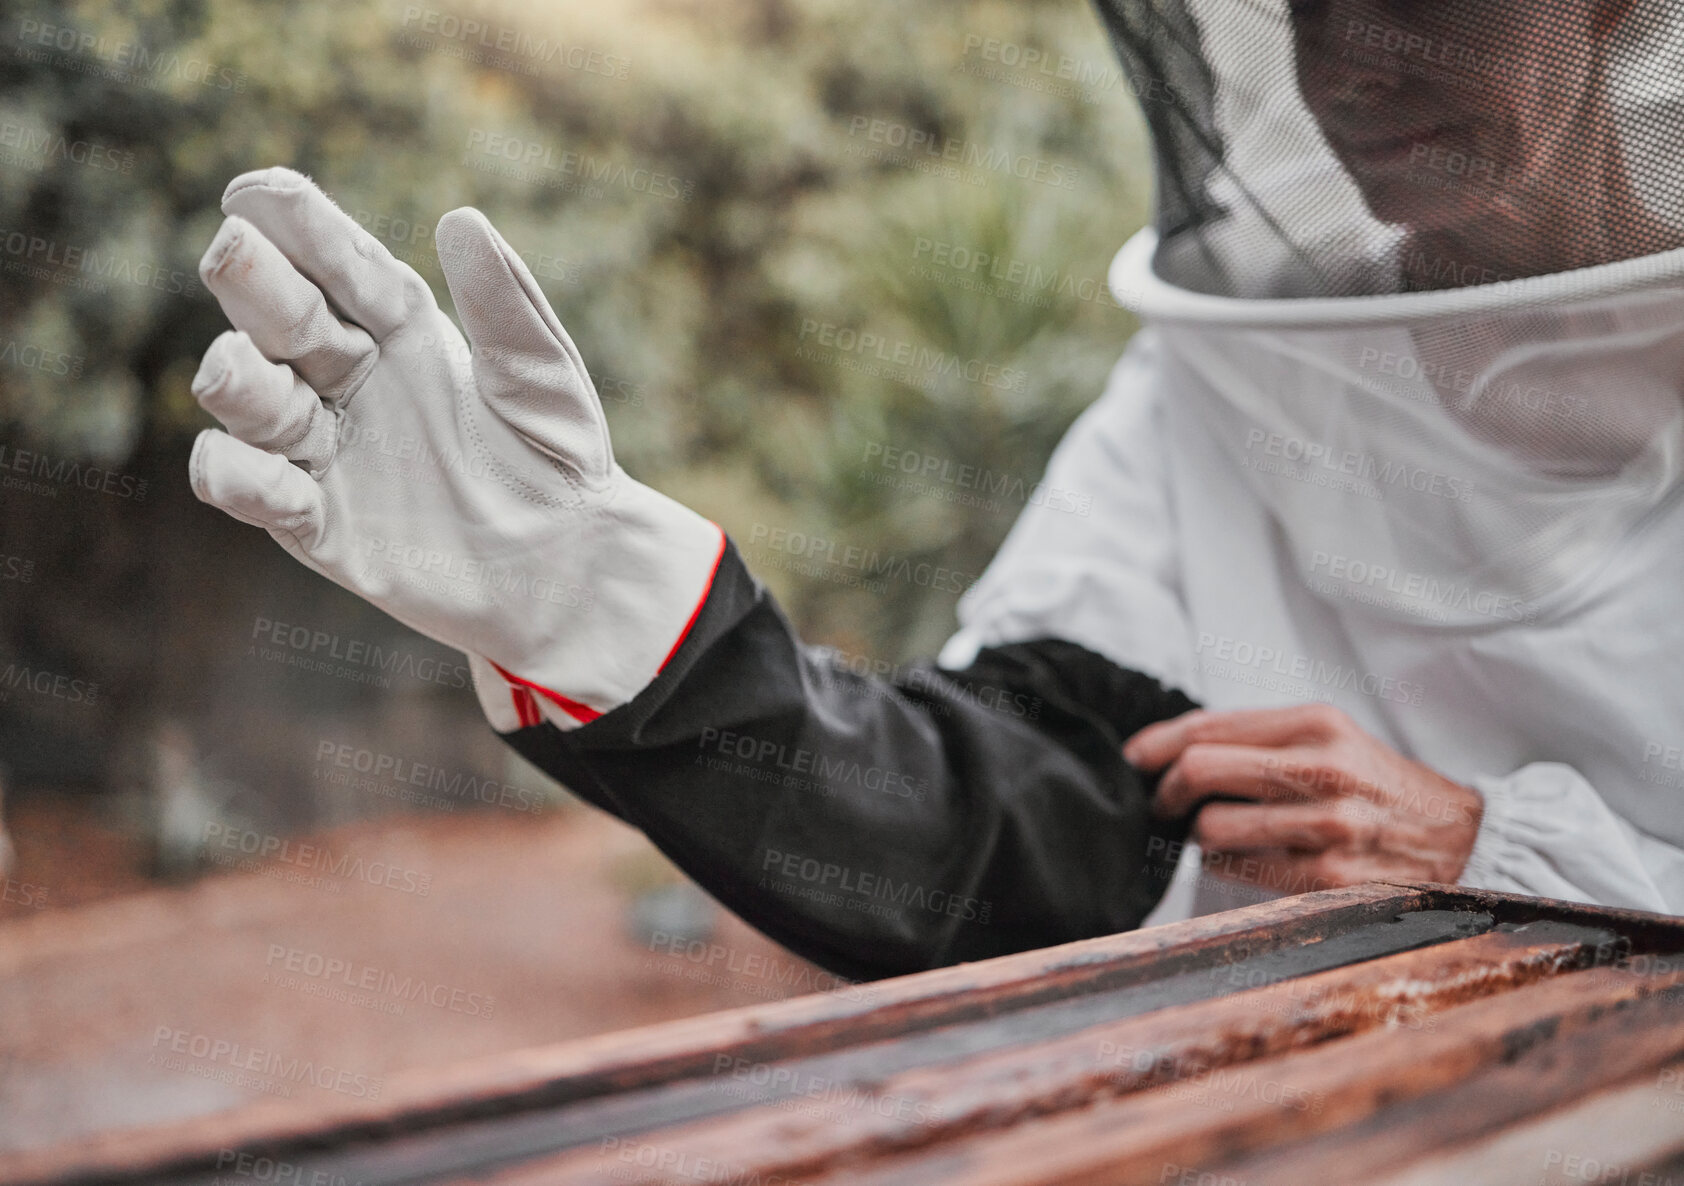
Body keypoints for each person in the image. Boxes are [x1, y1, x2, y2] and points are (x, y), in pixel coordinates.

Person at [184, 0, 1684, 979]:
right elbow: (998, 814)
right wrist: (604, 614)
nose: (1354, 59)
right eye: (1303, 0)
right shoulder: (1214, 393)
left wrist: (1493, 850)